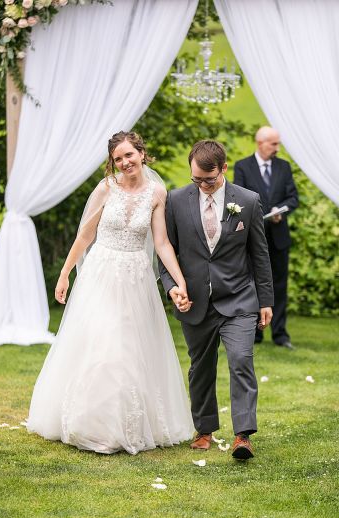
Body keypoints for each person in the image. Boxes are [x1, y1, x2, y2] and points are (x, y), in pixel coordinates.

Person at [26, 131, 194, 455]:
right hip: (101, 274)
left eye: (129, 155)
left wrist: (180, 281)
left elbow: (161, 243)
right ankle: (92, 424)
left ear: (142, 153)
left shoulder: (158, 193)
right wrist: (65, 274)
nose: (125, 162)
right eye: (118, 159)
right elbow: (85, 236)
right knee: (101, 342)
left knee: (129, 348)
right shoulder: (107, 187)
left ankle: (124, 425)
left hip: (135, 277)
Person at [160, 140, 273, 460]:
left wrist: (266, 299)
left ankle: (243, 435)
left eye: (208, 180)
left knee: (241, 360)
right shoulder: (176, 200)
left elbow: (260, 255)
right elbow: (166, 254)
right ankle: (205, 428)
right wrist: (172, 288)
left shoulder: (248, 201)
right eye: (196, 180)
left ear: (224, 169)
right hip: (195, 302)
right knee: (201, 367)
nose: (203, 187)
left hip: (239, 299)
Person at [233, 126, 299, 349]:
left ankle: (280, 334)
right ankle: (255, 333)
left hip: (279, 237)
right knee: (252, 283)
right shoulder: (243, 167)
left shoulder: (284, 167)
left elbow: (293, 197)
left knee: (279, 284)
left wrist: (283, 210)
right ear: (260, 143)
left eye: (278, 144)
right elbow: (238, 198)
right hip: (253, 237)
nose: (277, 148)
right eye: (273, 144)